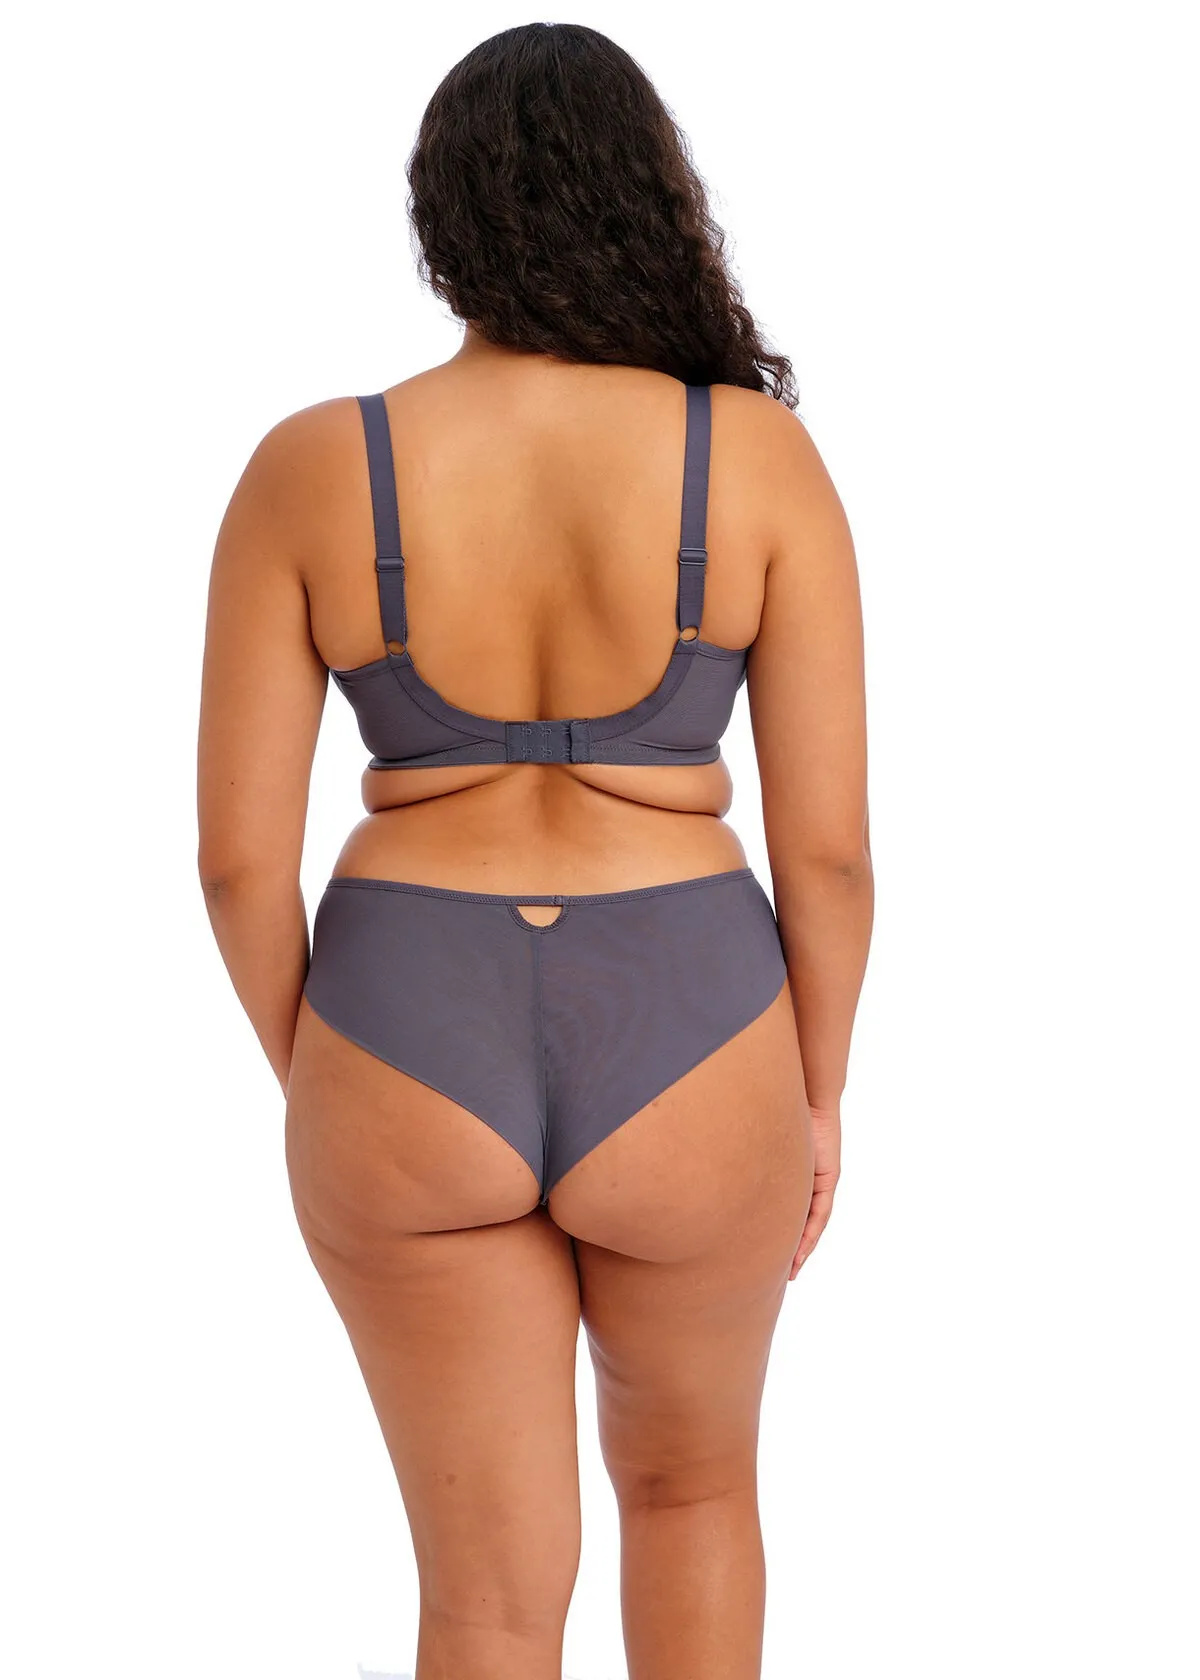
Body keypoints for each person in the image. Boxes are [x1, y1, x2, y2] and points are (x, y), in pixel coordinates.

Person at [197, 22, 872, 1680]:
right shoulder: (751, 456)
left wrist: (328, 1069)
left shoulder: (312, 465)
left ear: (442, 217)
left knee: (484, 1601)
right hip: (690, 1015)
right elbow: (833, 858)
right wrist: (816, 1095)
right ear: (651, 196)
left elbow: (234, 862)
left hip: (403, 1015)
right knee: (692, 1495)